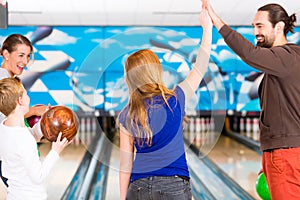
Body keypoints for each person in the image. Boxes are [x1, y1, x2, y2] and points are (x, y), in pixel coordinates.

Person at [203, 1, 300, 199]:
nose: (255, 31)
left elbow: (249, 53)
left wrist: (217, 22)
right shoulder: (291, 59)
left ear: (279, 27)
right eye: (254, 26)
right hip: (286, 151)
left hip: (285, 154)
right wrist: (268, 160)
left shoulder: (284, 57)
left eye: (260, 26)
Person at [117, 6, 212, 200]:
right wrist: (207, 29)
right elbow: (201, 66)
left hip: (138, 188)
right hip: (174, 186)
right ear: (156, 71)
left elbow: (125, 164)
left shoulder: (127, 114)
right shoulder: (176, 98)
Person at [0, 77, 71, 200]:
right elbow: (39, 177)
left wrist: (45, 120)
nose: (29, 98)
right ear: (20, 101)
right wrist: (55, 151)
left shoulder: (4, 127)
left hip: (14, 195)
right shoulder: (23, 139)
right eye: (26, 94)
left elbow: (31, 135)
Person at [0, 33, 48, 122]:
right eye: (21, 55)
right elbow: (5, 118)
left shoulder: (10, 80)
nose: (25, 61)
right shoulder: (2, 80)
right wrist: (35, 111)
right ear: (6, 54)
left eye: (28, 56)